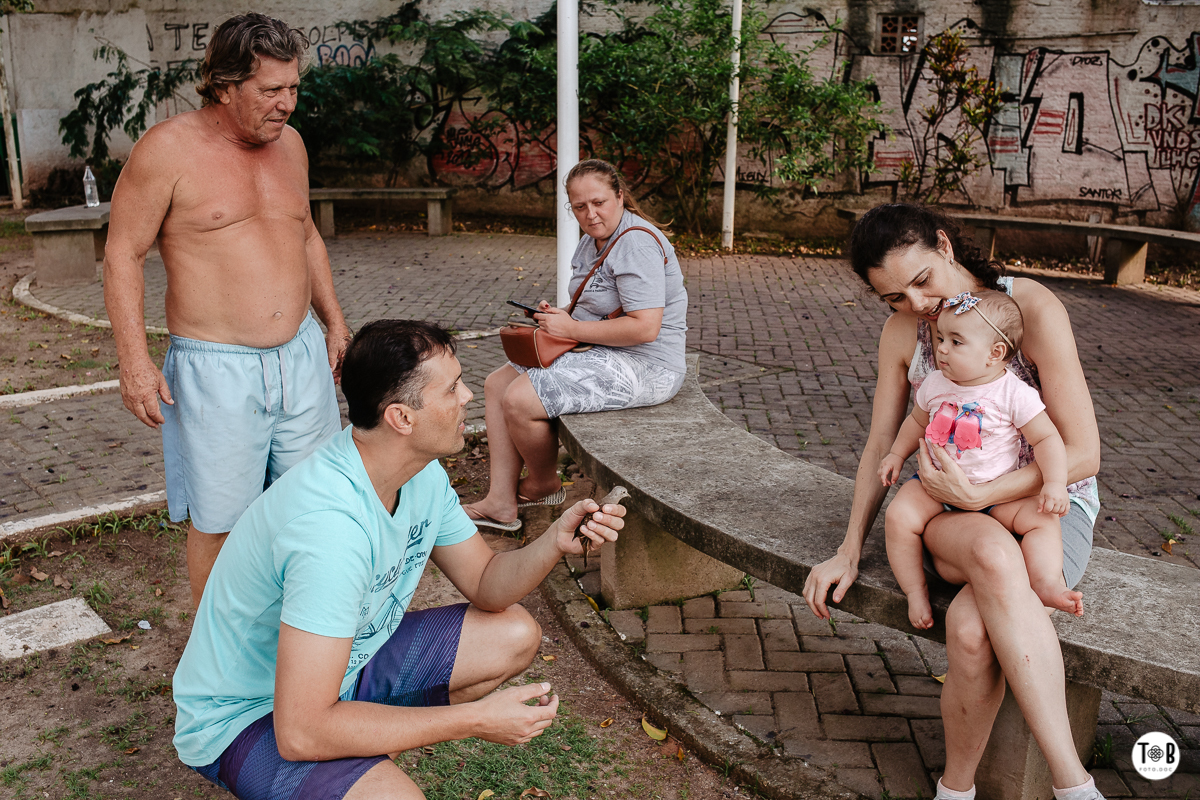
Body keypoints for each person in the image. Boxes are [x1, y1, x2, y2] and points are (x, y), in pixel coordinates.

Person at [172, 319, 626, 799]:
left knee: (511, 634)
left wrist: (555, 540)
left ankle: (351, 744)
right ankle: (343, 755)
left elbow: (488, 580)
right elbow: (300, 731)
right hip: (247, 714)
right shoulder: (330, 531)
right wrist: (473, 720)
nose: (468, 395)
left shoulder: (418, 472)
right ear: (401, 418)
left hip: (342, 668)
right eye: (451, 388)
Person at [801, 204, 1105, 800]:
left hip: (1047, 506)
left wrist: (986, 492)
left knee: (970, 630)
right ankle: (1076, 788)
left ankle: (956, 790)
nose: (915, 306)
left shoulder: (1030, 310)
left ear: (945, 246)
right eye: (893, 298)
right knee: (991, 551)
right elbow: (880, 448)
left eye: (921, 281)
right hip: (948, 516)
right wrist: (848, 548)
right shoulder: (904, 336)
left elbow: (1083, 453)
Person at [104, 14, 351, 607]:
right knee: (220, 525)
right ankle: (218, 674)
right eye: (271, 91)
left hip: (300, 360)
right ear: (223, 84)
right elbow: (122, 254)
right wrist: (134, 363)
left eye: (293, 88)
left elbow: (307, 234)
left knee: (315, 506)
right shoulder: (166, 150)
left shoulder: (290, 144)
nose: (287, 104)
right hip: (216, 368)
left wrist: (334, 320)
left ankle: (302, 642)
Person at [463, 159, 688, 531]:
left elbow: (645, 328)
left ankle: (543, 483)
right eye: (579, 207)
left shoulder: (635, 243)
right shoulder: (593, 240)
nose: (591, 214)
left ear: (620, 196)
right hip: (606, 352)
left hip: (648, 365)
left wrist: (570, 328)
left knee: (520, 398)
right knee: (496, 384)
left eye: (599, 202)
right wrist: (560, 315)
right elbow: (597, 308)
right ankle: (501, 503)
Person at [878, 289, 1082, 630]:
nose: (942, 348)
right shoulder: (935, 383)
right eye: (941, 337)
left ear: (995, 353)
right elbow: (916, 421)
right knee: (898, 516)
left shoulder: (1014, 393)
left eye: (956, 342)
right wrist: (896, 454)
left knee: (1042, 519)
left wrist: (1054, 483)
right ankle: (915, 591)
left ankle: (1047, 582)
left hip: (998, 494)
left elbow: (1047, 438)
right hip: (935, 489)